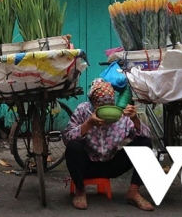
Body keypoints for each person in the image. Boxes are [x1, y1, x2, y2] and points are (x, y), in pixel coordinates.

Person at [62, 79, 154, 211]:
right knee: (73, 146)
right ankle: (80, 191)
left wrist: (135, 119)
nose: (106, 109)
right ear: (92, 103)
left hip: (112, 164)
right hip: (87, 165)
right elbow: (66, 138)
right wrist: (88, 124)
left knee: (145, 144)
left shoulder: (120, 115)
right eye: (101, 106)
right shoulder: (83, 110)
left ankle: (133, 191)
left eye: (109, 105)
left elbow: (147, 136)